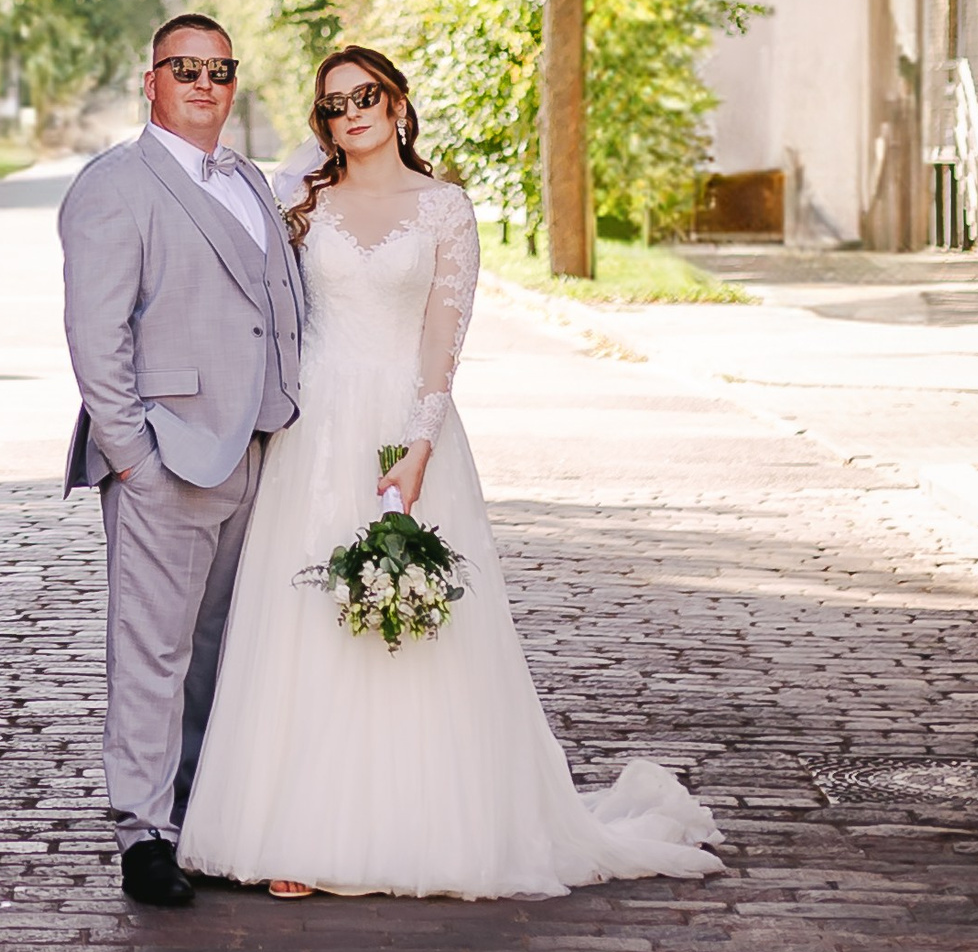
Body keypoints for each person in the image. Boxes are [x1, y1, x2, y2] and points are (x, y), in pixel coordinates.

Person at [176, 44, 720, 900]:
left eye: (366, 95)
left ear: (396, 103)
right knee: (303, 618)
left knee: (403, 620)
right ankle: (297, 829)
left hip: (400, 427)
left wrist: (416, 446)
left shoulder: (444, 207)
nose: (349, 112)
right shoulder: (300, 203)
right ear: (320, 123)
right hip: (311, 432)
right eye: (332, 105)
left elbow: (443, 339)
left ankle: (413, 828)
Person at [58, 11, 307, 909]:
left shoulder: (247, 178)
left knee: (220, 649)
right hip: (165, 455)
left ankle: (200, 815)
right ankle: (144, 835)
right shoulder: (113, 186)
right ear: (152, 79)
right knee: (151, 651)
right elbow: (96, 337)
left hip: (257, 447)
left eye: (220, 70)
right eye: (186, 69)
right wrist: (133, 458)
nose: (206, 85)